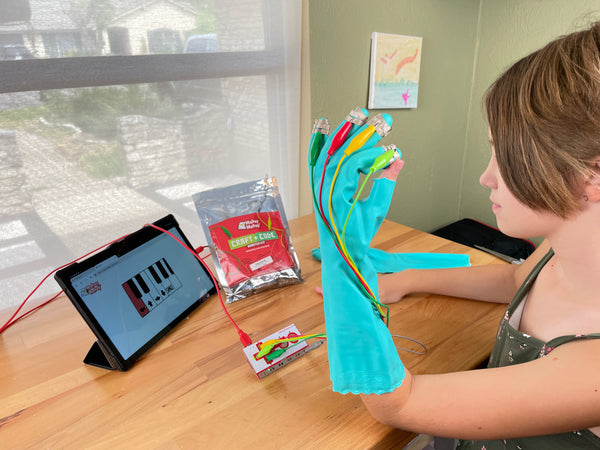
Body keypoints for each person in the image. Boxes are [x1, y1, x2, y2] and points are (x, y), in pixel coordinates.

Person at [363, 21, 600, 449]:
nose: (486, 177)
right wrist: (405, 280)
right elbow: (511, 280)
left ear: (593, 173)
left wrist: (349, 301)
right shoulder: (555, 252)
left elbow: (398, 404)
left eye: (504, 156)